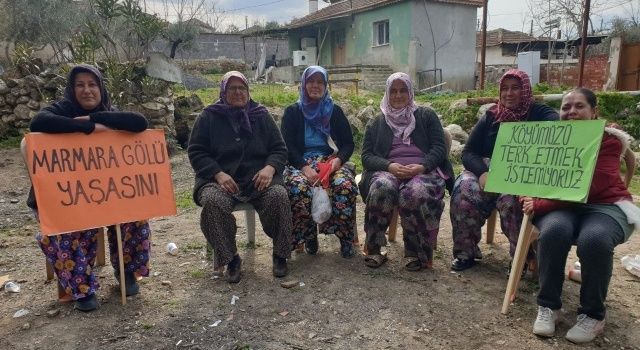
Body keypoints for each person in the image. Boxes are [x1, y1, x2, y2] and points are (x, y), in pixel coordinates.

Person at [26, 64, 150, 312]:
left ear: (101, 88)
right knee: (64, 228)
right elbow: (38, 122)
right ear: (72, 89)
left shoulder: (109, 112)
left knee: (135, 216)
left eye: (93, 85)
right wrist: (87, 128)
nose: (87, 90)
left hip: (106, 194)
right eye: (80, 85)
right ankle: (82, 288)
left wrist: (95, 118)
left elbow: (140, 122)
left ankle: (126, 272)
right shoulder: (61, 110)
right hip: (64, 196)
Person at [524, 88, 639, 343]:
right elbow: (527, 173)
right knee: (554, 232)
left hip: (606, 205)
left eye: (579, 106)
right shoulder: (550, 138)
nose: (571, 112)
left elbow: (589, 183)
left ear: (594, 111)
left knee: (595, 239)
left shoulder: (608, 138)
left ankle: (593, 315)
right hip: (561, 207)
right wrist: (526, 196)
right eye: (566, 107)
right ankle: (548, 306)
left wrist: (540, 204)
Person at [449, 69, 559, 271]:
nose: (509, 93)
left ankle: (521, 259)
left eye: (515, 88)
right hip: (488, 171)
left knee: (511, 201)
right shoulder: (492, 116)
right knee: (463, 190)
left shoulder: (542, 114)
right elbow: (469, 152)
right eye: (505, 88)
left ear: (525, 90)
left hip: (522, 175)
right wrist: (482, 173)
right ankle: (466, 252)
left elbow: (554, 139)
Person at [188, 71, 292, 283]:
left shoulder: (261, 115)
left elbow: (279, 149)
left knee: (279, 196)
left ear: (248, 91)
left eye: (242, 88)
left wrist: (270, 168)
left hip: (258, 179)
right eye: (232, 88)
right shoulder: (209, 117)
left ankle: (280, 254)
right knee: (212, 202)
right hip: (221, 181)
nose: (238, 92)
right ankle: (231, 258)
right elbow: (196, 152)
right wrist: (217, 173)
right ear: (223, 92)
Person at [359, 72, 454, 270]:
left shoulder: (426, 116)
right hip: (389, 170)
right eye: (393, 91)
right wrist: (389, 166)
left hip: (422, 171)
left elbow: (439, 148)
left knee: (415, 193)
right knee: (381, 188)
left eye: (403, 90)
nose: (398, 95)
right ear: (387, 93)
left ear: (410, 92)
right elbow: (366, 156)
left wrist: (422, 166)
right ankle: (375, 249)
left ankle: (416, 252)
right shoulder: (377, 122)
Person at [280, 65, 358, 258]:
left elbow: (348, 144)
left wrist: (338, 161)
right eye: (311, 81)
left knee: (345, 185)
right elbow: (287, 146)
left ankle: (344, 237)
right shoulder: (292, 112)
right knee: (298, 188)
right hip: (301, 163)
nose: (315, 85)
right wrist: (304, 167)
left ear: (326, 85)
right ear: (304, 84)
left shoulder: (334, 111)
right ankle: (308, 236)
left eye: (320, 82)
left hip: (330, 161)